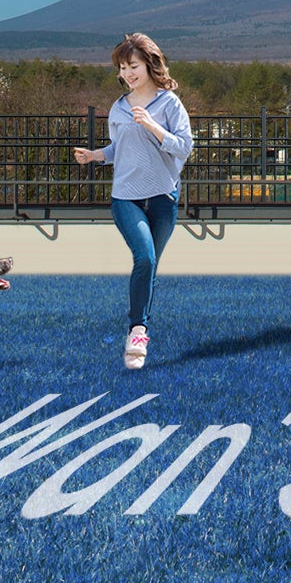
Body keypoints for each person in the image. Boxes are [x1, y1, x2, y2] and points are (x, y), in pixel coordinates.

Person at [73, 33, 194, 369]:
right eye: (123, 67)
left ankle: (142, 324)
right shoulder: (118, 107)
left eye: (134, 66)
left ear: (150, 65)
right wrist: (96, 155)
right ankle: (138, 332)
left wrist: (154, 126)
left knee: (151, 265)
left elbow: (184, 147)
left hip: (163, 196)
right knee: (144, 257)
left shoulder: (169, 104)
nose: (128, 73)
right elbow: (121, 149)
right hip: (126, 197)